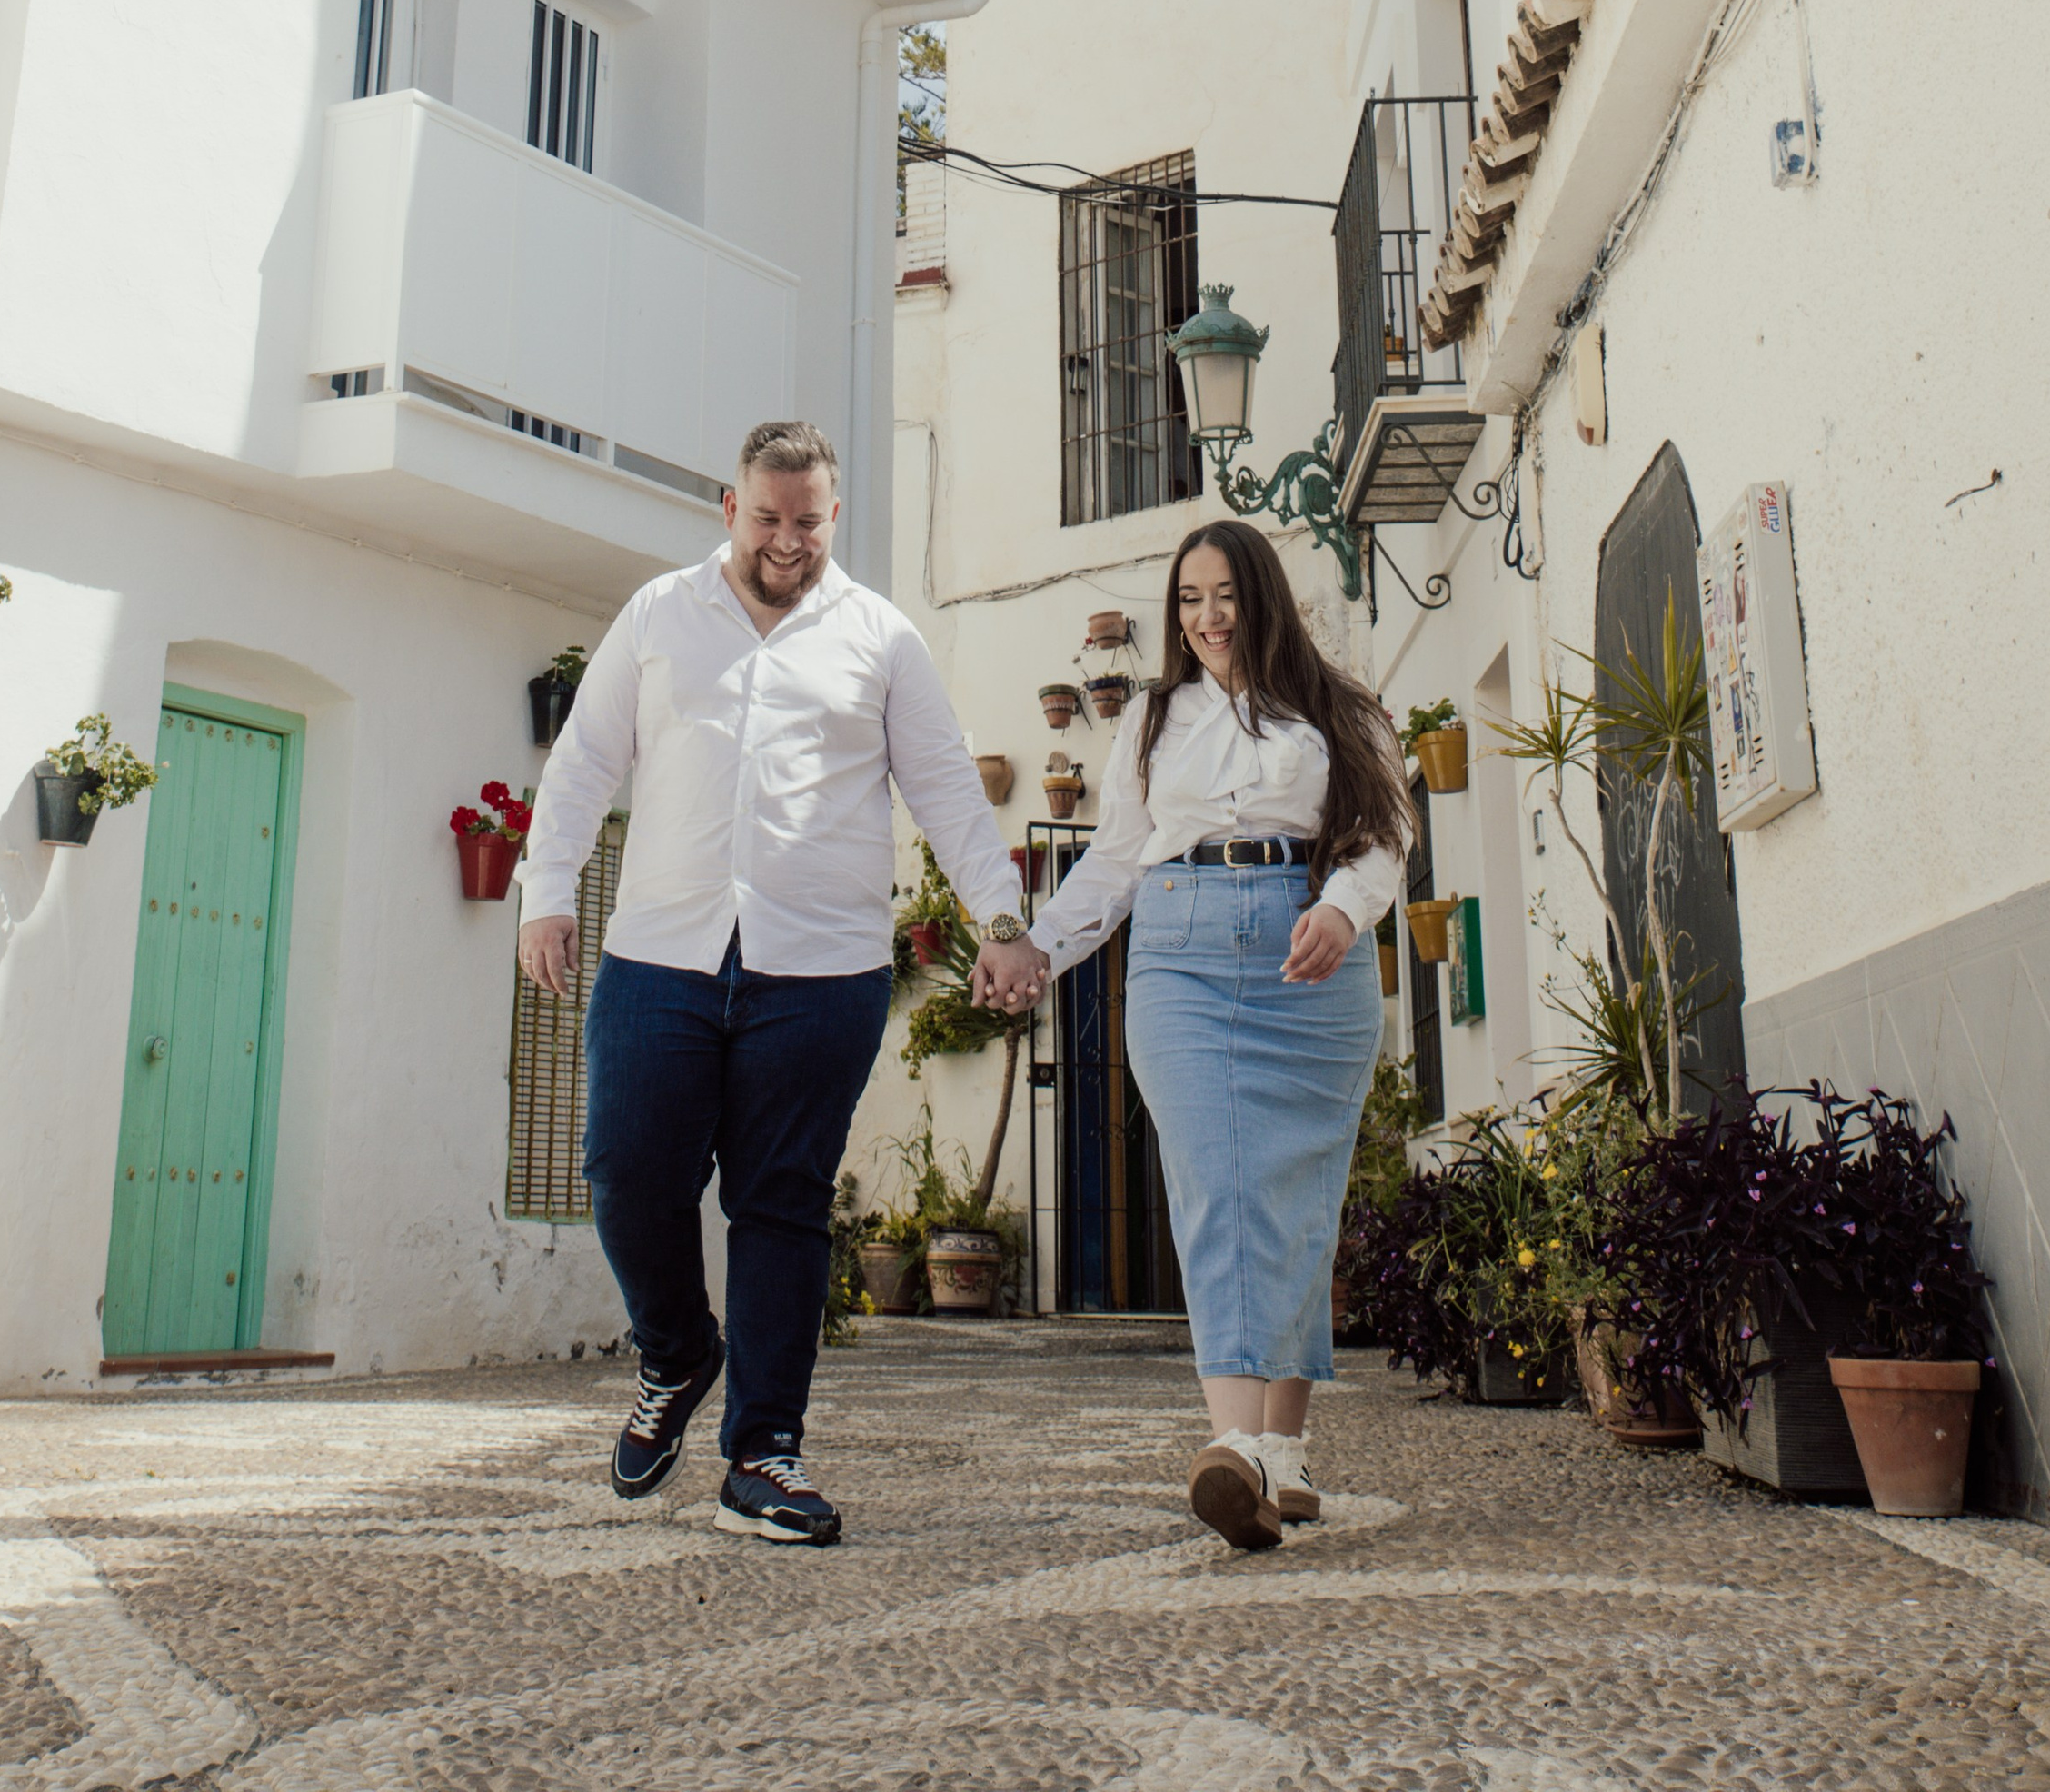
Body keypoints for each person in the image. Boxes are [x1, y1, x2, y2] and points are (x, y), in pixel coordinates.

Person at [515, 418, 1033, 1547]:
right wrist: (544, 892)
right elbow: (586, 760)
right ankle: (676, 1352)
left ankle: (763, 1455)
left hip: (821, 966)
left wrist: (1001, 920)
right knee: (624, 1170)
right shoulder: (659, 614)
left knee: (781, 1207)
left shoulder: (881, 638)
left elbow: (946, 787)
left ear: (831, 516)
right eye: (766, 518)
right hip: (661, 949)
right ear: (730, 508)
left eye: (806, 521)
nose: (786, 541)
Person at [981, 516, 1411, 1549]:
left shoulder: (1343, 707)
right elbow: (1117, 862)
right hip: (1180, 955)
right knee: (1216, 1187)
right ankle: (1236, 1446)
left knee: (1300, 1202)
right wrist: (1040, 947)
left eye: (1221, 596)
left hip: (1311, 957)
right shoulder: (1149, 722)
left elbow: (1385, 837)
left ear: (1259, 595)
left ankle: (1286, 1450)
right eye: (1187, 600)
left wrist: (1346, 908)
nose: (1206, 618)